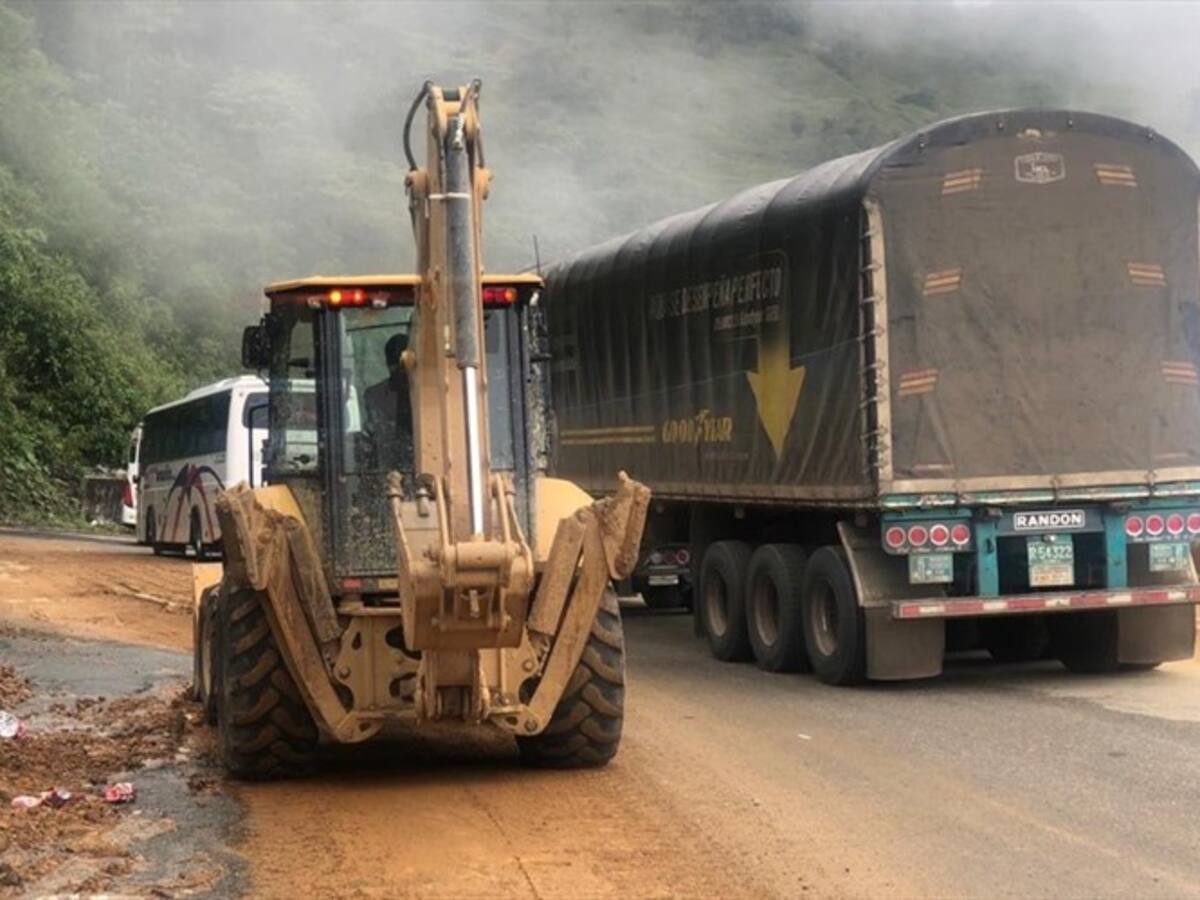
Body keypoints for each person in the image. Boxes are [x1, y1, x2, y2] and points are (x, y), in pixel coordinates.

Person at [362, 331, 414, 470]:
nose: (400, 371)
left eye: (402, 366)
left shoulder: (428, 399)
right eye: (395, 365)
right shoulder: (374, 397)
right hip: (385, 470)